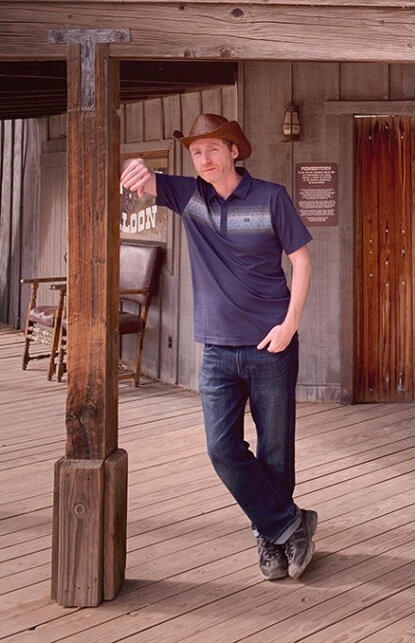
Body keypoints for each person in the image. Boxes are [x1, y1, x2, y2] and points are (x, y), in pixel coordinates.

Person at [120, 112, 316, 581]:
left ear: (234, 150)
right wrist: (134, 166)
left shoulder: (271, 197)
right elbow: (143, 179)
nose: (204, 159)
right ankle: (290, 524)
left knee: (275, 450)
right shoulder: (188, 196)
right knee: (222, 449)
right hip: (216, 350)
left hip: (272, 343)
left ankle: (272, 540)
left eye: (213, 148)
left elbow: (302, 263)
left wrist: (290, 325)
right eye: (195, 152)